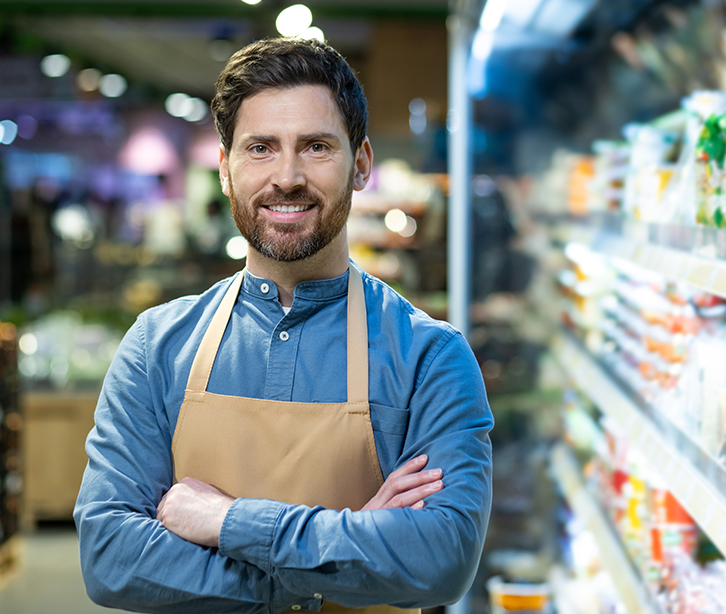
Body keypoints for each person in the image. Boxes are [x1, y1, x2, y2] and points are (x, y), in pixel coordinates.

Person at [74, 37, 493, 614]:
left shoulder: (429, 358)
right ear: (225, 169)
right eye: (261, 148)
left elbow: (440, 560)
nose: (288, 176)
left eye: (316, 146)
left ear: (361, 164)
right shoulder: (157, 346)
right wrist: (314, 578)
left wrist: (222, 520)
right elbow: (111, 559)